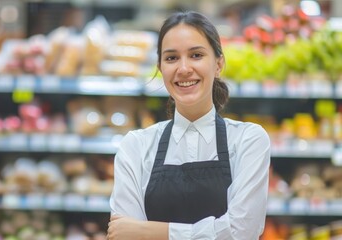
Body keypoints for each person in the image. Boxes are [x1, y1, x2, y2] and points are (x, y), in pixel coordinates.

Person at [108, 11, 270, 240]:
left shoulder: (248, 140)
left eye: (196, 55)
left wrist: (153, 231)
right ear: (160, 67)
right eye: (171, 58)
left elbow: (241, 231)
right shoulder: (135, 146)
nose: (183, 68)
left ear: (218, 63)